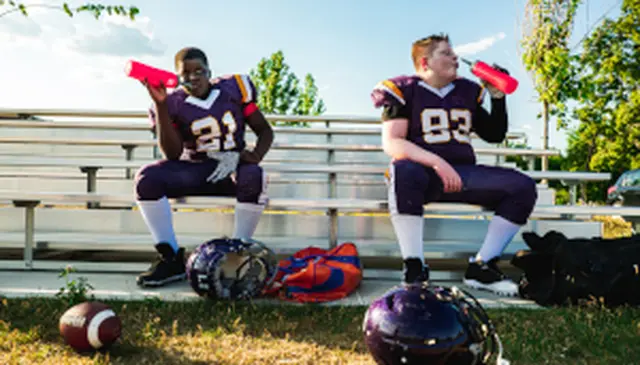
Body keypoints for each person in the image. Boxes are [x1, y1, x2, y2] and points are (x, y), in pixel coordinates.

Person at [371, 34, 538, 296]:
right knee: (402, 169)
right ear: (425, 62)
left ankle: (483, 266)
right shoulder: (403, 89)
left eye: (454, 53)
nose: (455, 58)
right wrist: (438, 163)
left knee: (522, 186)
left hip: (463, 173)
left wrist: (497, 98)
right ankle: (414, 266)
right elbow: (392, 143)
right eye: (446, 53)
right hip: (422, 174)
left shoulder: (467, 91)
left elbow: (494, 134)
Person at [134, 47, 274, 288]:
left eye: (199, 70)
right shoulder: (173, 102)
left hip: (232, 170)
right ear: (177, 77)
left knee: (254, 174)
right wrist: (161, 105)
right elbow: (172, 154)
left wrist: (251, 156)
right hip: (195, 169)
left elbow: (265, 131)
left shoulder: (235, 89)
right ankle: (171, 257)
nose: (193, 77)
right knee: (147, 178)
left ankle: (238, 255)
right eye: (186, 73)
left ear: (210, 71)